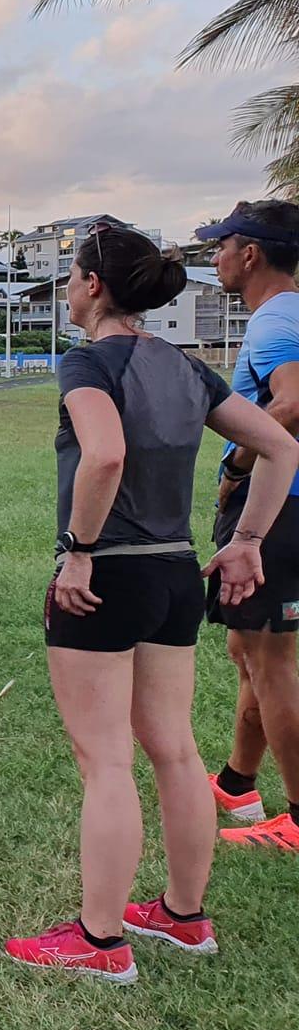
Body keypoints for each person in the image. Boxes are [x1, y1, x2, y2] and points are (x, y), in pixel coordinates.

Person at [5, 226, 297, 982]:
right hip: (172, 575)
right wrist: (249, 541)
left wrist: (78, 549)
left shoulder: (87, 361)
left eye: (69, 276)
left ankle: (99, 942)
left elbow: (104, 453)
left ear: (94, 285)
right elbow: (283, 447)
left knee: (104, 757)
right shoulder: (188, 368)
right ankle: (183, 915)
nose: (66, 290)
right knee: (173, 748)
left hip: (108, 576)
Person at [199, 199, 299, 854]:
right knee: (247, 652)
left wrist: (236, 463)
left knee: (271, 659)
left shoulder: (275, 322)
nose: (214, 259)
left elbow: (292, 402)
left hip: (279, 505)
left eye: (220, 247)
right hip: (281, 504)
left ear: (251, 254)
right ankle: (239, 781)